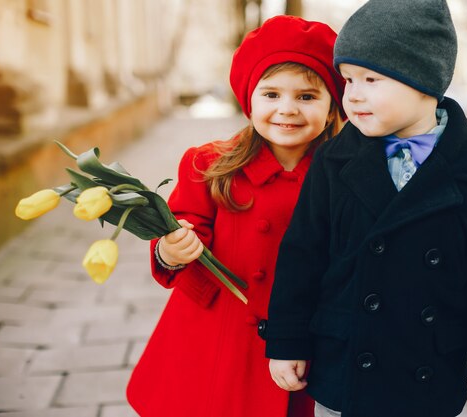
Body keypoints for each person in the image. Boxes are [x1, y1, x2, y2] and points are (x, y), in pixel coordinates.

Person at [263, 1, 467, 417]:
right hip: (346, 363)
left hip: (428, 368)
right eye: (348, 79)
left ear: (423, 80)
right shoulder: (335, 160)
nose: (353, 95)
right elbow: (302, 256)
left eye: (371, 78)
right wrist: (287, 341)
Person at [126, 15, 345, 417]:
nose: (287, 110)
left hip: (300, 342)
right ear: (249, 100)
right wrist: (172, 250)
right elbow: (177, 232)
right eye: (272, 94)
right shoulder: (210, 165)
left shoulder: (342, 176)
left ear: (333, 107)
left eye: (307, 97)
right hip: (217, 337)